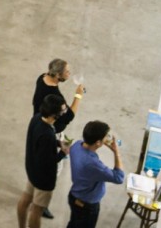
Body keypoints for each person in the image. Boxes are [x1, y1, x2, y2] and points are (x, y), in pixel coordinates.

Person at [20, 94, 75, 228]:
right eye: (63, 110)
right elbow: (49, 162)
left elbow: (37, 142)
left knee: (25, 200)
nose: (65, 111)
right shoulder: (47, 134)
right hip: (42, 180)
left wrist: (57, 143)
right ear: (54, 114)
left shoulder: (37, 118)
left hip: (31, 170)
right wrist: (63, 152)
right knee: (36, 211)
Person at [65, 121, 124, 228]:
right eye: (106, 136)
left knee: (73, 224)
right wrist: (116, 152)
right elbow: (119, 177)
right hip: (87, 206)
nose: (108, 138)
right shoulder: (94, 165)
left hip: (74, 196)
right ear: (98, 142)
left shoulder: (77, 145)